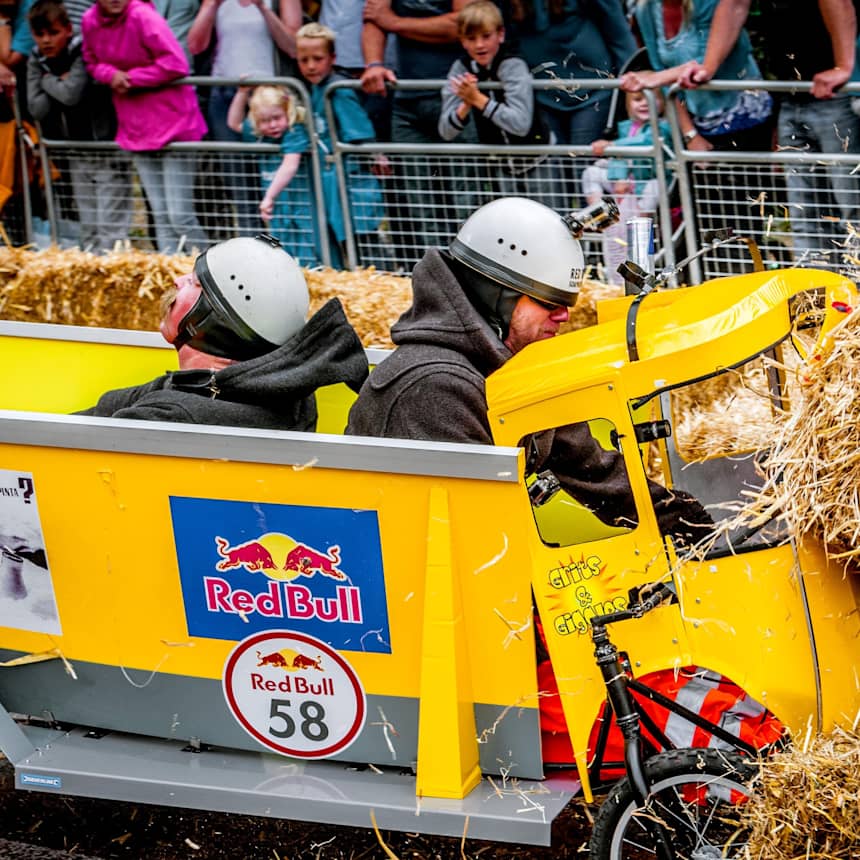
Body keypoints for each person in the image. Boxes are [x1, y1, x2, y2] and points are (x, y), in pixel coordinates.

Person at [345, 196, 711, 538]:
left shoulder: (508, 369)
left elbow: (597, 474)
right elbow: (482, 537)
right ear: (497, 297)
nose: (564, 315)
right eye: (547, 303)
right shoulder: (435, 389)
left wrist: (695, 525)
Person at [80, 234, 370, 428]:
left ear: (212, 321)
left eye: (195, 283)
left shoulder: (174, 416)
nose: (178, 280)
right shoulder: (286, 389)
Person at [679, 0, 860, 267]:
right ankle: (814, 291)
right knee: (805, 212)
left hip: (837, 94)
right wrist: (709, 66)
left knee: (851, 206)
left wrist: (843, 65)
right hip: (791, 93)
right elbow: (734, 5)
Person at [81, 0, 208, 255]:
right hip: (136, 127)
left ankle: (213, 273)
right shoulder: (90, 21)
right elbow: (91, 60)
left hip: (174, 123)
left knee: (179, 215)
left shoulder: (143, 16)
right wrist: (109, 75)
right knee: (159, 213)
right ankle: (171, 279)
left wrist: (131, 79)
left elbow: (176, 63)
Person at [361, 0, 478, 264]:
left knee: (464, 198)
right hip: (406, 99)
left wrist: (394, 22)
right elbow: (372, 17)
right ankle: (434, 279)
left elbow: (461, 24)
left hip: (455, 97)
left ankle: (470, 275)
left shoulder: (395, 20)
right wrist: (373, 64)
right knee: (419, 203)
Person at [187, 0, 302, 240]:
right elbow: (195, 46)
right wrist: (210, 6)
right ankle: (252, 246)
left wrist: (263, 8)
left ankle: (290, 244)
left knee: (279, 176)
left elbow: (293, 47)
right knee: (238, 180)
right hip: (226, 94)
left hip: (271, 97)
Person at [26, 0, 131, 251]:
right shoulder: (36, 59)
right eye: (40, 35)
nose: (47, 41)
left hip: (105, 145)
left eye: (53, 33)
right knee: (89, 223)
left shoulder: (82, 52)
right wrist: (56, 82)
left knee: (111, 223)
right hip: (73, 147)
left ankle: (114, 270)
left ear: (68, 30)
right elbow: (36, 108)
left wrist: (46, 81)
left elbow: (72, 93)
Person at [437, 0, 555, 201]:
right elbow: (445, 131)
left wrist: (477, 99)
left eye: (486, 36)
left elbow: (520, 124)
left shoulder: (513, 64)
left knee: (547, 223)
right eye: (471, 38)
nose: (479, 44)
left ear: (500, 34)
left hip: (538, 160)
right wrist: (466, 104)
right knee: (508, 228)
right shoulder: (460, 68)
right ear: (462, 41)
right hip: (500, 167)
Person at [582, 88, 671, 282]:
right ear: (628, 105)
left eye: (651, 99)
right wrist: (619, 178)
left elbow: (646, 142)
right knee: (591, 173)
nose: (644, 103)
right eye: (637, 99)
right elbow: (619, 157)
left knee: (654, 187)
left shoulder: (663, 127)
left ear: (663, 102)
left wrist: (613, 145)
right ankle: (600, 213)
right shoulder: (626, 127)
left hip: (650, 179)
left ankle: (640, 223)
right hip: (630, 180)